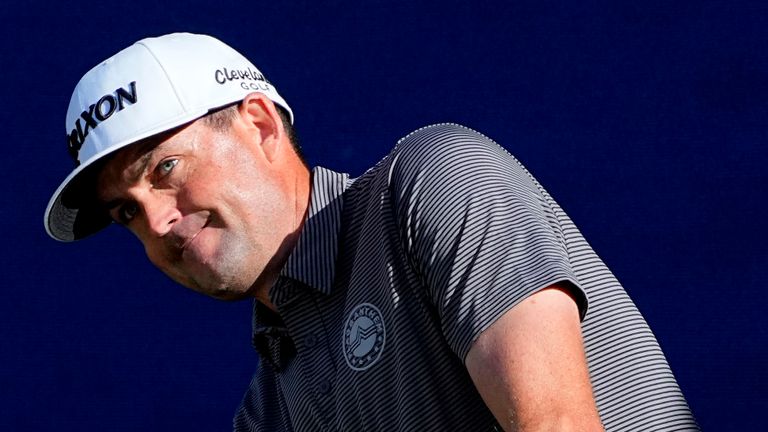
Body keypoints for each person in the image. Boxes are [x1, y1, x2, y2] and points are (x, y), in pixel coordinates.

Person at [45, 33, 699, 431]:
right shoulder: (269, 407)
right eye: (127, 211)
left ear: (260, 125)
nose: (157, 221)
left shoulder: (433, 178)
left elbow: (557, 425)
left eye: (166, 168)